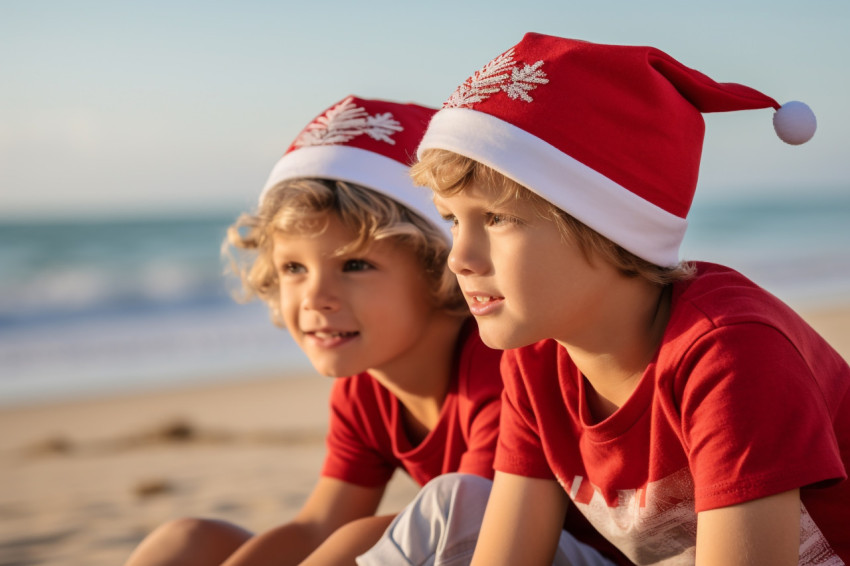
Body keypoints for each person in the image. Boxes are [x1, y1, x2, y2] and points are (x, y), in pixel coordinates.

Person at [357, 33, 849, 566]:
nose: (459, 258)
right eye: (453, 219)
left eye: (497, 218)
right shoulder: (536, 359)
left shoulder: (730, 353)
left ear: (608, 228)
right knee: (451, 508)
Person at [123, 95, 503, 566]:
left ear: (438, 267)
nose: (316, 297)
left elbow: (462, 522)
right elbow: (319, 526)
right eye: (294, 268)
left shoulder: (499, 365)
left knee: (372, 534)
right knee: (187, 541)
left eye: (356, 264)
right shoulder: (364, 389)